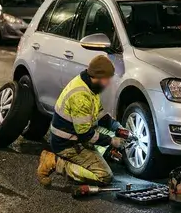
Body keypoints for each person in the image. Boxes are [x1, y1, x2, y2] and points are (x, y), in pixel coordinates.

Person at [36, 55, 125, 187]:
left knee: (101, 151)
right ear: (98, 77)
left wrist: (116, 127)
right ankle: (55, 162)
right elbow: (85, 134)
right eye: (107, 79)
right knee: (104, 176)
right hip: (67, 145)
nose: (109, 83)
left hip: (75, 138)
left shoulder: (89, 86)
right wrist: (111, 141)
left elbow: (99, 115)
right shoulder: (80, 96)